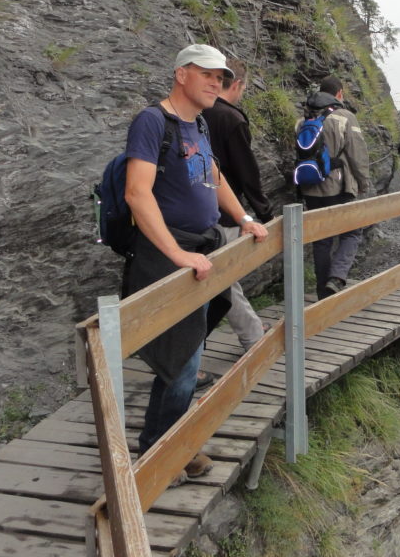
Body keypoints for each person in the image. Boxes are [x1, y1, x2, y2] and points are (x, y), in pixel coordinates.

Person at [122, 43, 268, 477]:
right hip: (169, 255)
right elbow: (136, 192)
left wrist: (243, 217)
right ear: (181, 73)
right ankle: (162, 452)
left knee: (186, 356)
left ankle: (169, 446)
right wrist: (177, 253)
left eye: (221, 77)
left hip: (201, 250)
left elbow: (214, 175)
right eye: (206, 73)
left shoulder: (199, 124)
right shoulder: (152, 122)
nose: (215, 81)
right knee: (182, 359)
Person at [203, 58, 273, 351]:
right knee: (223, 278)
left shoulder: (196, 112)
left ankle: (253, 330)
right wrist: (263, 212)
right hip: (225, 213)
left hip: (195, 209)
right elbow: (247, 172)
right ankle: (253, 337)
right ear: (239, 84)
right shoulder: (232, 119)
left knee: (222, 278)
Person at [296, 76, 373, 299]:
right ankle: (337, 277)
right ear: (339, 93)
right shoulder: (344, 117)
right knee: (352, 232)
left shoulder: (303, 120)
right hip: (338, 186)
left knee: (322, 240)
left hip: (310, 185)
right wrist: (363, 183)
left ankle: (323, 292)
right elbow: (357, 155)